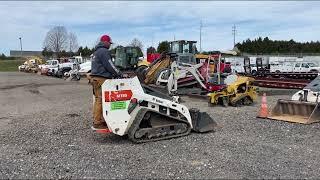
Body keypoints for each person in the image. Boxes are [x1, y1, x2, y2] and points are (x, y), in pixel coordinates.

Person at [90, 34, 122, 130]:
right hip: (101, 79)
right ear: (105, 42)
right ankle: (98, 122)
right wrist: (119, 73)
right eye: (109, 43)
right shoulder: (104, 51)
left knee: (99, 100)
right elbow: (110, 65)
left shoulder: (96, 52)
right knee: (100, 100)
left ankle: (101, 119)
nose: (110, 45)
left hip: (95, 78)